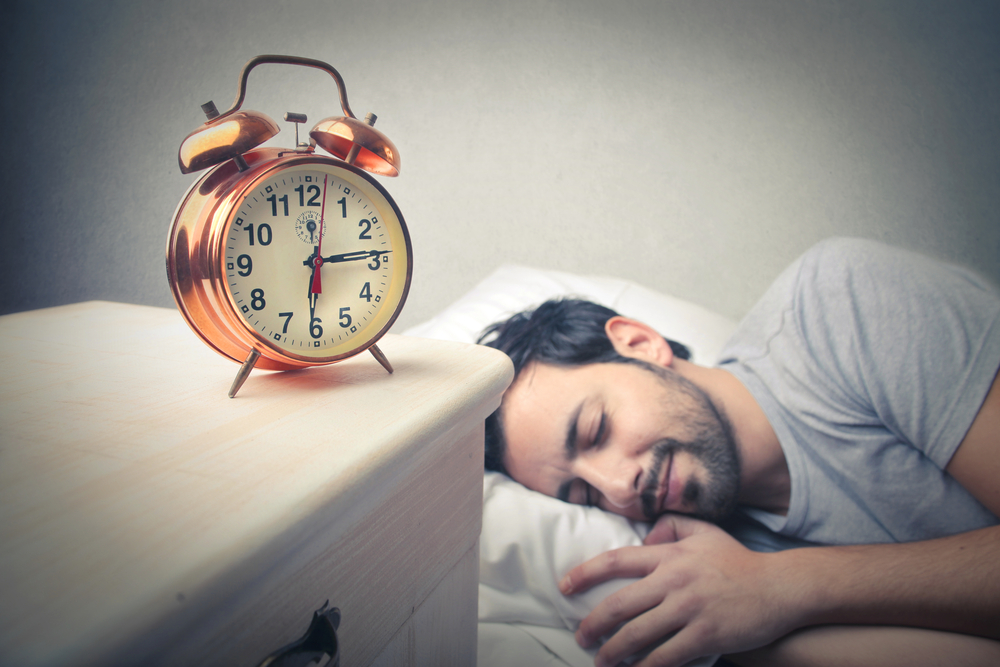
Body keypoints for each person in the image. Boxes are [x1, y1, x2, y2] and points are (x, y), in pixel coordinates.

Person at [477, 238, 1000, 666]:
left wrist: (789, 585)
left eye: (596, 430)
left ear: (639, 343)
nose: (618, 487)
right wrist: (759, 618)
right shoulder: (715, 575)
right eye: (584, 494)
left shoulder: (837, 305)